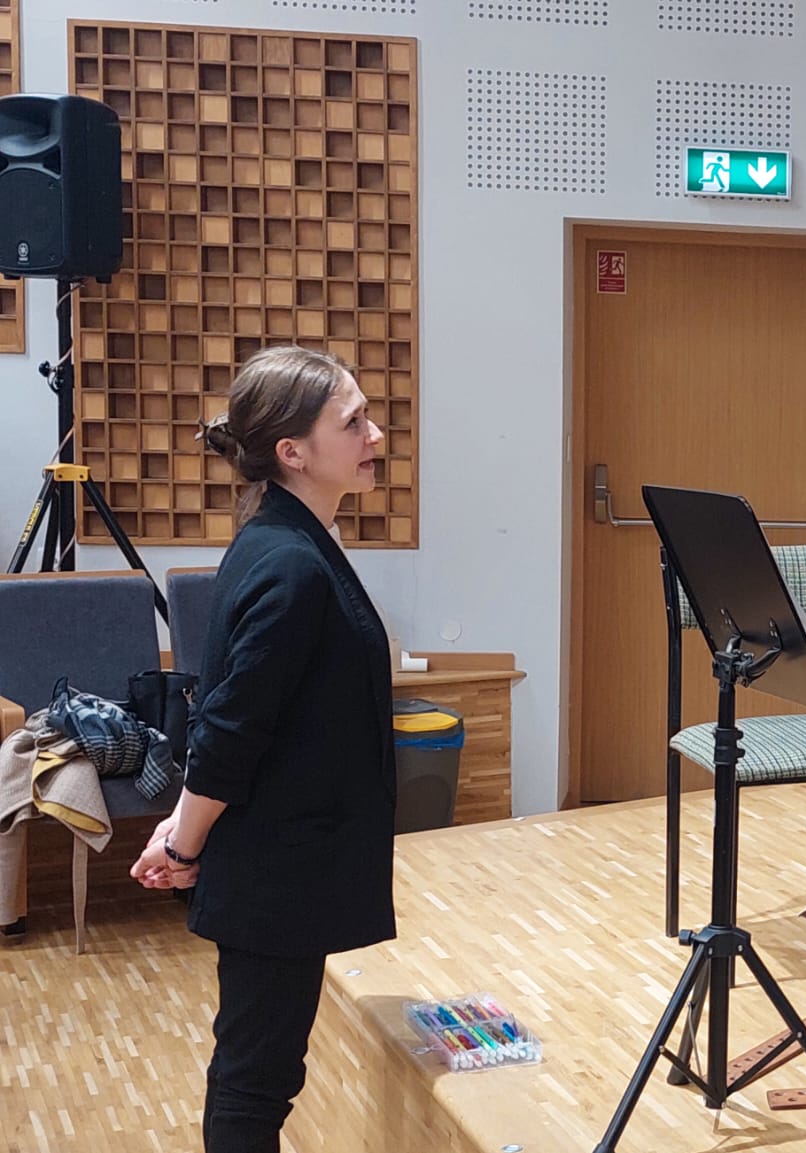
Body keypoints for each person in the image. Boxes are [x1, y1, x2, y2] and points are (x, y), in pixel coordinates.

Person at [130, 345, 395, 1153]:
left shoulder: (283, 538)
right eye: (353, 422)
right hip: (278, 870)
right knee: (254, 1084)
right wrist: (183, 842)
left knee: (259, 1074)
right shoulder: (290, 562)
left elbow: (243, 712)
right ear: (293, 451)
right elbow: (230, 731)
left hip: (283, 861)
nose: (376, 435)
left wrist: (181, 830)